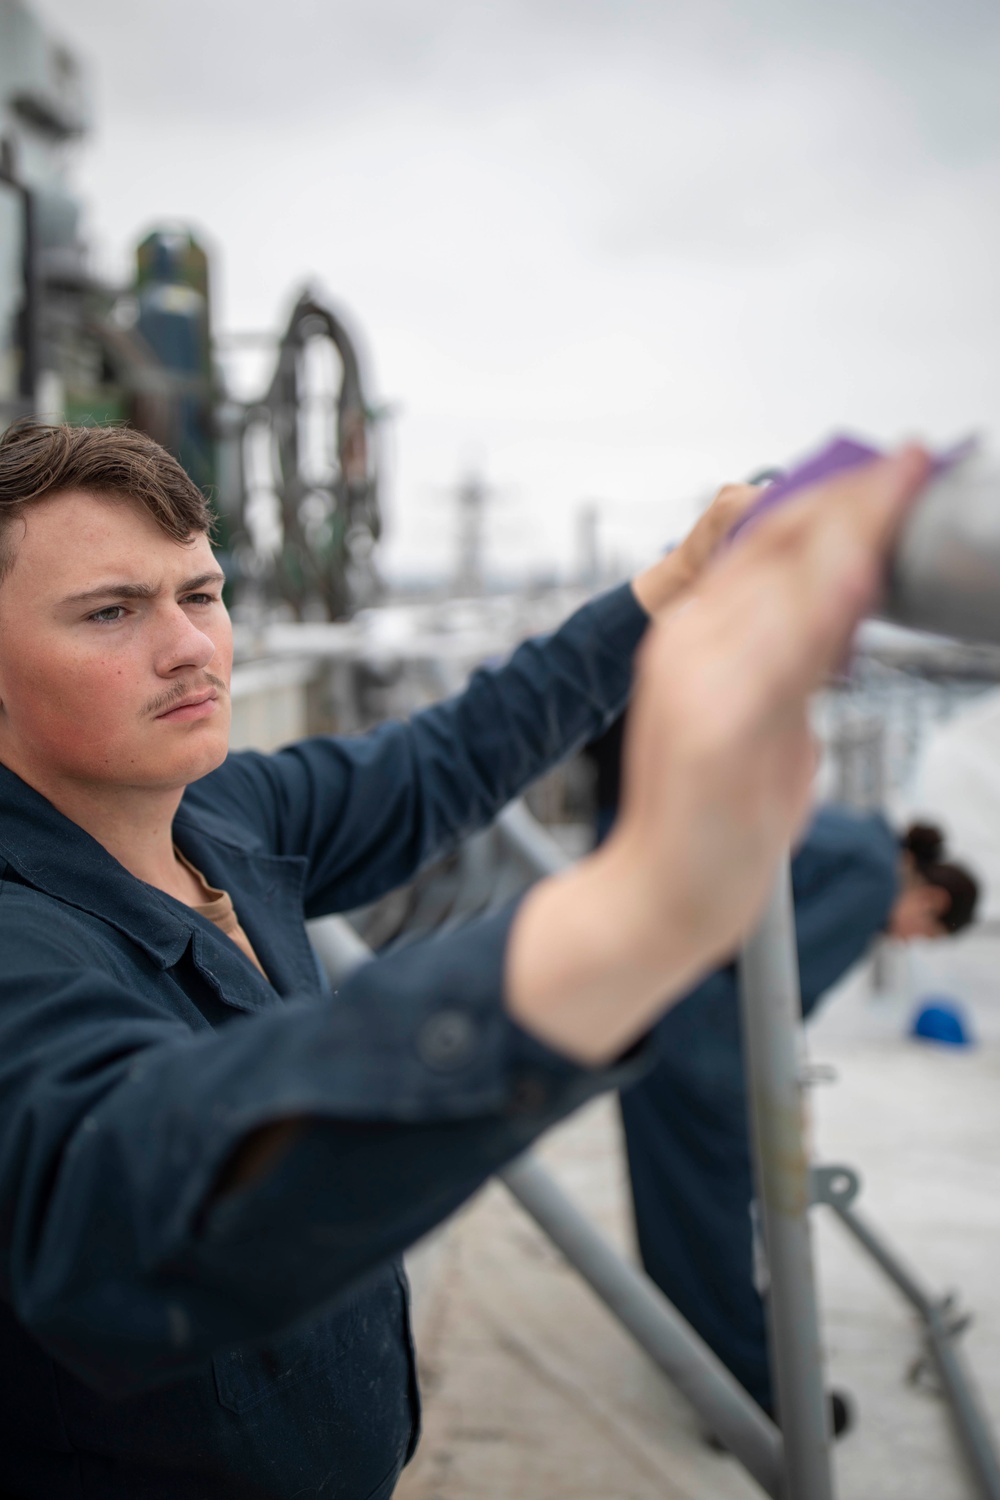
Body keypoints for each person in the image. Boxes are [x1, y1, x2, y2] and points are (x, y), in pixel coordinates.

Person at [0, 418, 929, 1499]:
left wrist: (677, 580)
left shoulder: (219, 816)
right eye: (111, 612)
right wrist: (638, 911)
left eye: (199, 594)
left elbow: (451, 755)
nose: (189, 647)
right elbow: (120, 1201)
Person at [618, 808, 979, 1425]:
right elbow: (776, 988)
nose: (904, 940)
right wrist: (780, 1095)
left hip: (661, 998)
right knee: (712, 1216)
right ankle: (758, 1396)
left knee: (676, 1213)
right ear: (933, 898)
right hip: (699, 1036)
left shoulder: (861, 835)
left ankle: (708, 1362)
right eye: (923, 933)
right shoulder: (871, 882)